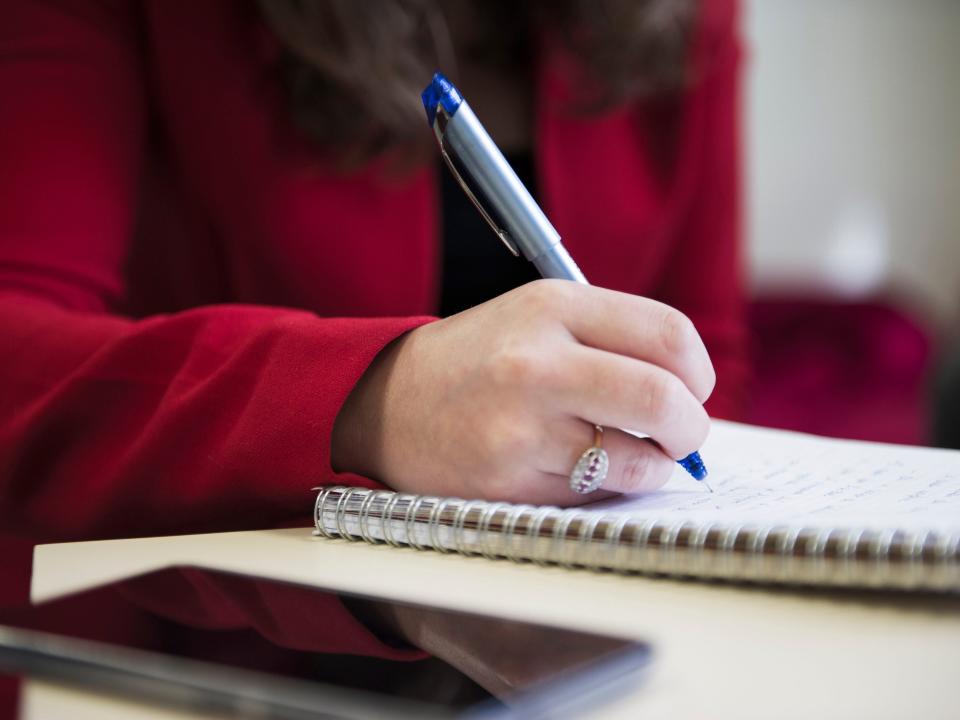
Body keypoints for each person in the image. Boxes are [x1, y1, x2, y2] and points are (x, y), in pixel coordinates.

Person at [0, 0, 745, 663]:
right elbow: (16, 358)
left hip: (597, 632)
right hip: (213, 654)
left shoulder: (685, 16)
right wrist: (376, 401)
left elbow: (709, 347)